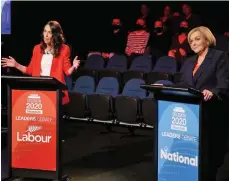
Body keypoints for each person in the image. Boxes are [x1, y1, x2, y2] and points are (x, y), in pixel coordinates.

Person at [157, 26, 229, 181]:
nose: (193, 43)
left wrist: (213, 92)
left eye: (197, 39)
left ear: (207, 40)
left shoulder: (219, 57)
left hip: (211, 112)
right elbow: (184, 85)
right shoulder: (189, 61)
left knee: (210, 160)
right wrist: (165, 87)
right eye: (191, 41)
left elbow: (224, 84)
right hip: (192, 114)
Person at [1, 20, 80, 105]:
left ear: (55, 35)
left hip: (55, 91)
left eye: (49, 32)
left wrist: (74, 66)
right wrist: (16, 65)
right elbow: (29, 70)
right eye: (45, 31)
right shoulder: (37, 49)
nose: (46, 35)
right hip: (38, 90)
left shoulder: (64, 49)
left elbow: (67, 72)